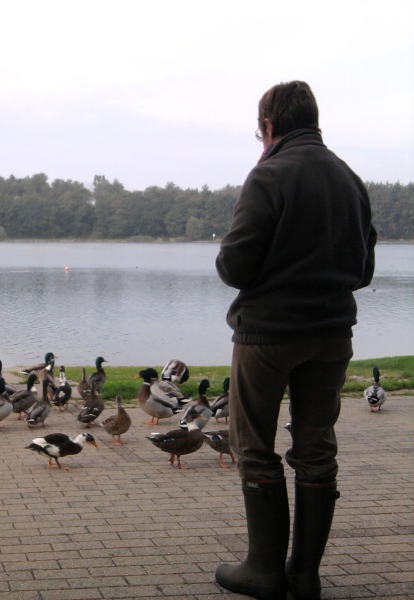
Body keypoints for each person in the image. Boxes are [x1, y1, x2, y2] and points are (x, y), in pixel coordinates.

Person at [214, 81, 376, 600]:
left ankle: (263, 571)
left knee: (254, 444)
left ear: (268, 126)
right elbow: (365, 269)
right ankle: (304, 575)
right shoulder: (349, 179)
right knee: (315, 445)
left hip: (268, 334)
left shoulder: (269, 174)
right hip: (331, 333)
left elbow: (234, 265)